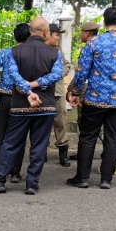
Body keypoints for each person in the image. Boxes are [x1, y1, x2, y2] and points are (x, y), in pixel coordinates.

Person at [67, 7, 116, 189]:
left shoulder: (94, 43)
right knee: (113, 137)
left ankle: (83, 178)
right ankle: (106, 179)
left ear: (104, 23)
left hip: (95, 98)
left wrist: (75, 92)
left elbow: (81, 71)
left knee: (87, 137)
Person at [0, 18, 63, 195]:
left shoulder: (14, 51)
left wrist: (27, 90)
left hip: (20, 105)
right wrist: (36, 84)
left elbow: (13, 75)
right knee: (39, 145)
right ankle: (32, 184)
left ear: (30, 32)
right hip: (45, 106)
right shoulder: (54, 54)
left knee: (11, 142)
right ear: (45, 33)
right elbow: (56, 75)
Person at [0, 23, 30, 182]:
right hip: (23, 97)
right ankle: (15, 172)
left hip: (5, 97)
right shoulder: (30, 54)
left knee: (1, 134)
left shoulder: (6, 52)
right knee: (20, 134)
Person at [69, 21, 100, 161]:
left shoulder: (89, 47)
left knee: (84, 122)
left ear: (87, 33)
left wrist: (75, 91)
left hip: (85, 89)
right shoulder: (100, 46)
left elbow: (81, 73)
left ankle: (84, 153)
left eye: (82, 32)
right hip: (94, 89)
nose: (81, 34)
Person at [46, 22, 72, 167]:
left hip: (57, 92)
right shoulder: (40, 50)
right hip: (43, 92)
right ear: (48, 34)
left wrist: (58, 74)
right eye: (56, 34)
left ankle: (63, 151)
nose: (58, 38)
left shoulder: (58, 50)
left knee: (60, 122)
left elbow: (66, 65)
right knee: (42, 123)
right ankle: (41, 151)